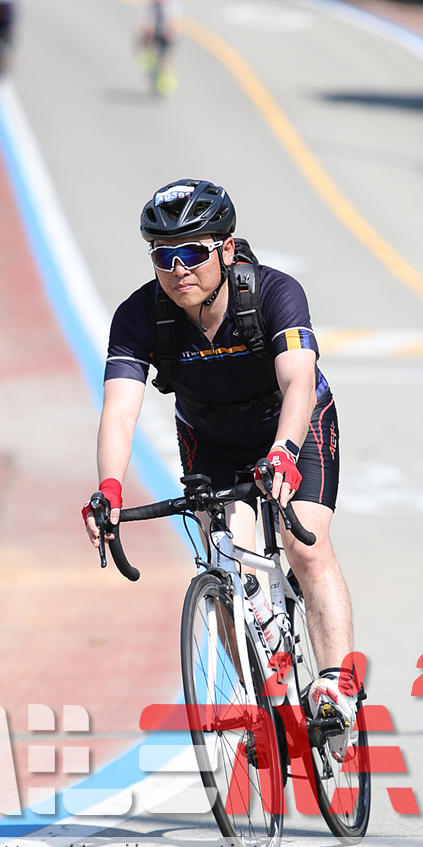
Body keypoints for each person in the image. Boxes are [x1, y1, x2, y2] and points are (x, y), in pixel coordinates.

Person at [82, 178, 359, 750]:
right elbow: (120, 413)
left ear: (227, 249)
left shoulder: (275, 292)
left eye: (193, 251)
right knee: (228, 563)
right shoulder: (139, 316)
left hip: (291, 424)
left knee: (305, 544)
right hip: (210, 436)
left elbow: (298, 382)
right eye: (163, 256)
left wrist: (284, 452)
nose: (178, 268)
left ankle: (336, 686)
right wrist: (108, 488)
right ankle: (267, 700)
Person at [135, 0, 179, 96]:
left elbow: (175, 26)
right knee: (143, 42)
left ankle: (167, 77)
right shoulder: (146, 6)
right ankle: (149, 59)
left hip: (165, 34)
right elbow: (140, 26)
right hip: (150, 33)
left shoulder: (173, 5)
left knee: (167, 56)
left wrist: (167, 34)